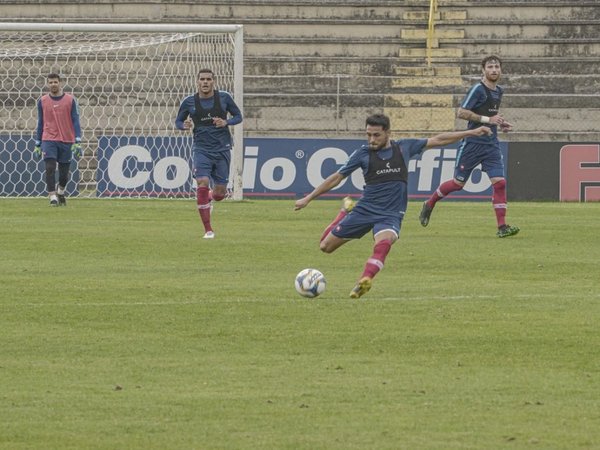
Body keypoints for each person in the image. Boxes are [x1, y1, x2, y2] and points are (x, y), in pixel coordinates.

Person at [294, 113, 492, 299]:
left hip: (390, 213)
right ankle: (344, 212)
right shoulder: (362, 154)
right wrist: (308, 198)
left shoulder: (404, 147)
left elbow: (439, 140)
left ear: (388, 133)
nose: (371, 140)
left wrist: (471, 132)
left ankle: (365, 279)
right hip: (365, 209)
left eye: (376, 135)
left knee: (383, 243)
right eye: (368, 135)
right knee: (325, 247)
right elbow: (336, 178)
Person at [419, 55, 520, 238]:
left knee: (500, 183)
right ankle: (429, 203)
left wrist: (499, 123)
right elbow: (462, 113)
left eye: (497, 67)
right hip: (473, 143)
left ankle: (502, 227)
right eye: (490, 67)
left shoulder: (499, 91)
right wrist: (487, 120)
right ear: (483, 70)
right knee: (458, 184)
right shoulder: (478, 89)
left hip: (491, 144)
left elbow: (491, 114)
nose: (494, 70)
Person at [175, 68, 243, 239]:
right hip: (201, 149)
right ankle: (208, 230)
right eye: (202, 79)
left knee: (220, 194)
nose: (205, 82)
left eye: (208, 79)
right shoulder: (189, 101)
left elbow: (239, 116)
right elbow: (178, 120)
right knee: (202, 182)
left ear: (214, 81)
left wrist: (226, 122)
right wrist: (184, 126)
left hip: (222, 149)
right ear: (197, 81)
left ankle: (209, 199)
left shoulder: (224, 98)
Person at [34, 73, 82, 206]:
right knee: (49, 167)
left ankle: (61, 192)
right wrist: (38, 143)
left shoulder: (70, 100)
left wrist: (78, 140)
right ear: (47, 84)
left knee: (64, 174)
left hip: (67, 140)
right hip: (49, 139)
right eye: (50, 82)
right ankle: (52, 197)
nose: (53, 84)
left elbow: (75, 120)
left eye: (55, 82)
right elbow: (40, 122)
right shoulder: (42, 101)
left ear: (60, 83)